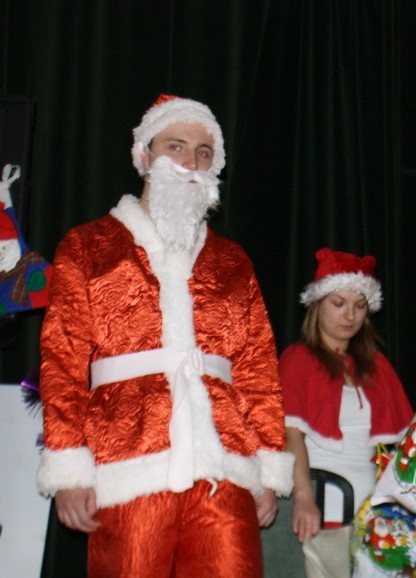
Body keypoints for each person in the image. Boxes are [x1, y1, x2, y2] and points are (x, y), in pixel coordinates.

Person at [36, 94, 293, 577]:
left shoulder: (232, 261)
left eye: (203, 153)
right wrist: (70, 469)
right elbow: (63, 360)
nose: (191, 163)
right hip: (127, 459)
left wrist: (265, 468)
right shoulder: (88, 245)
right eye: (176, 146)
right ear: (145, 156)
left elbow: (258, 368)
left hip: (224, 466)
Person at [279, 247, 414, 544]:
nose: (350, 315)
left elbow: (404, 445)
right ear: (317, 304)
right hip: (323, 506)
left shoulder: (377, 364)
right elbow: (291, 436)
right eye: (338, 303)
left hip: (373, 516)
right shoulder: (298, 359)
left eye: (359, 305)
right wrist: (303, 498)